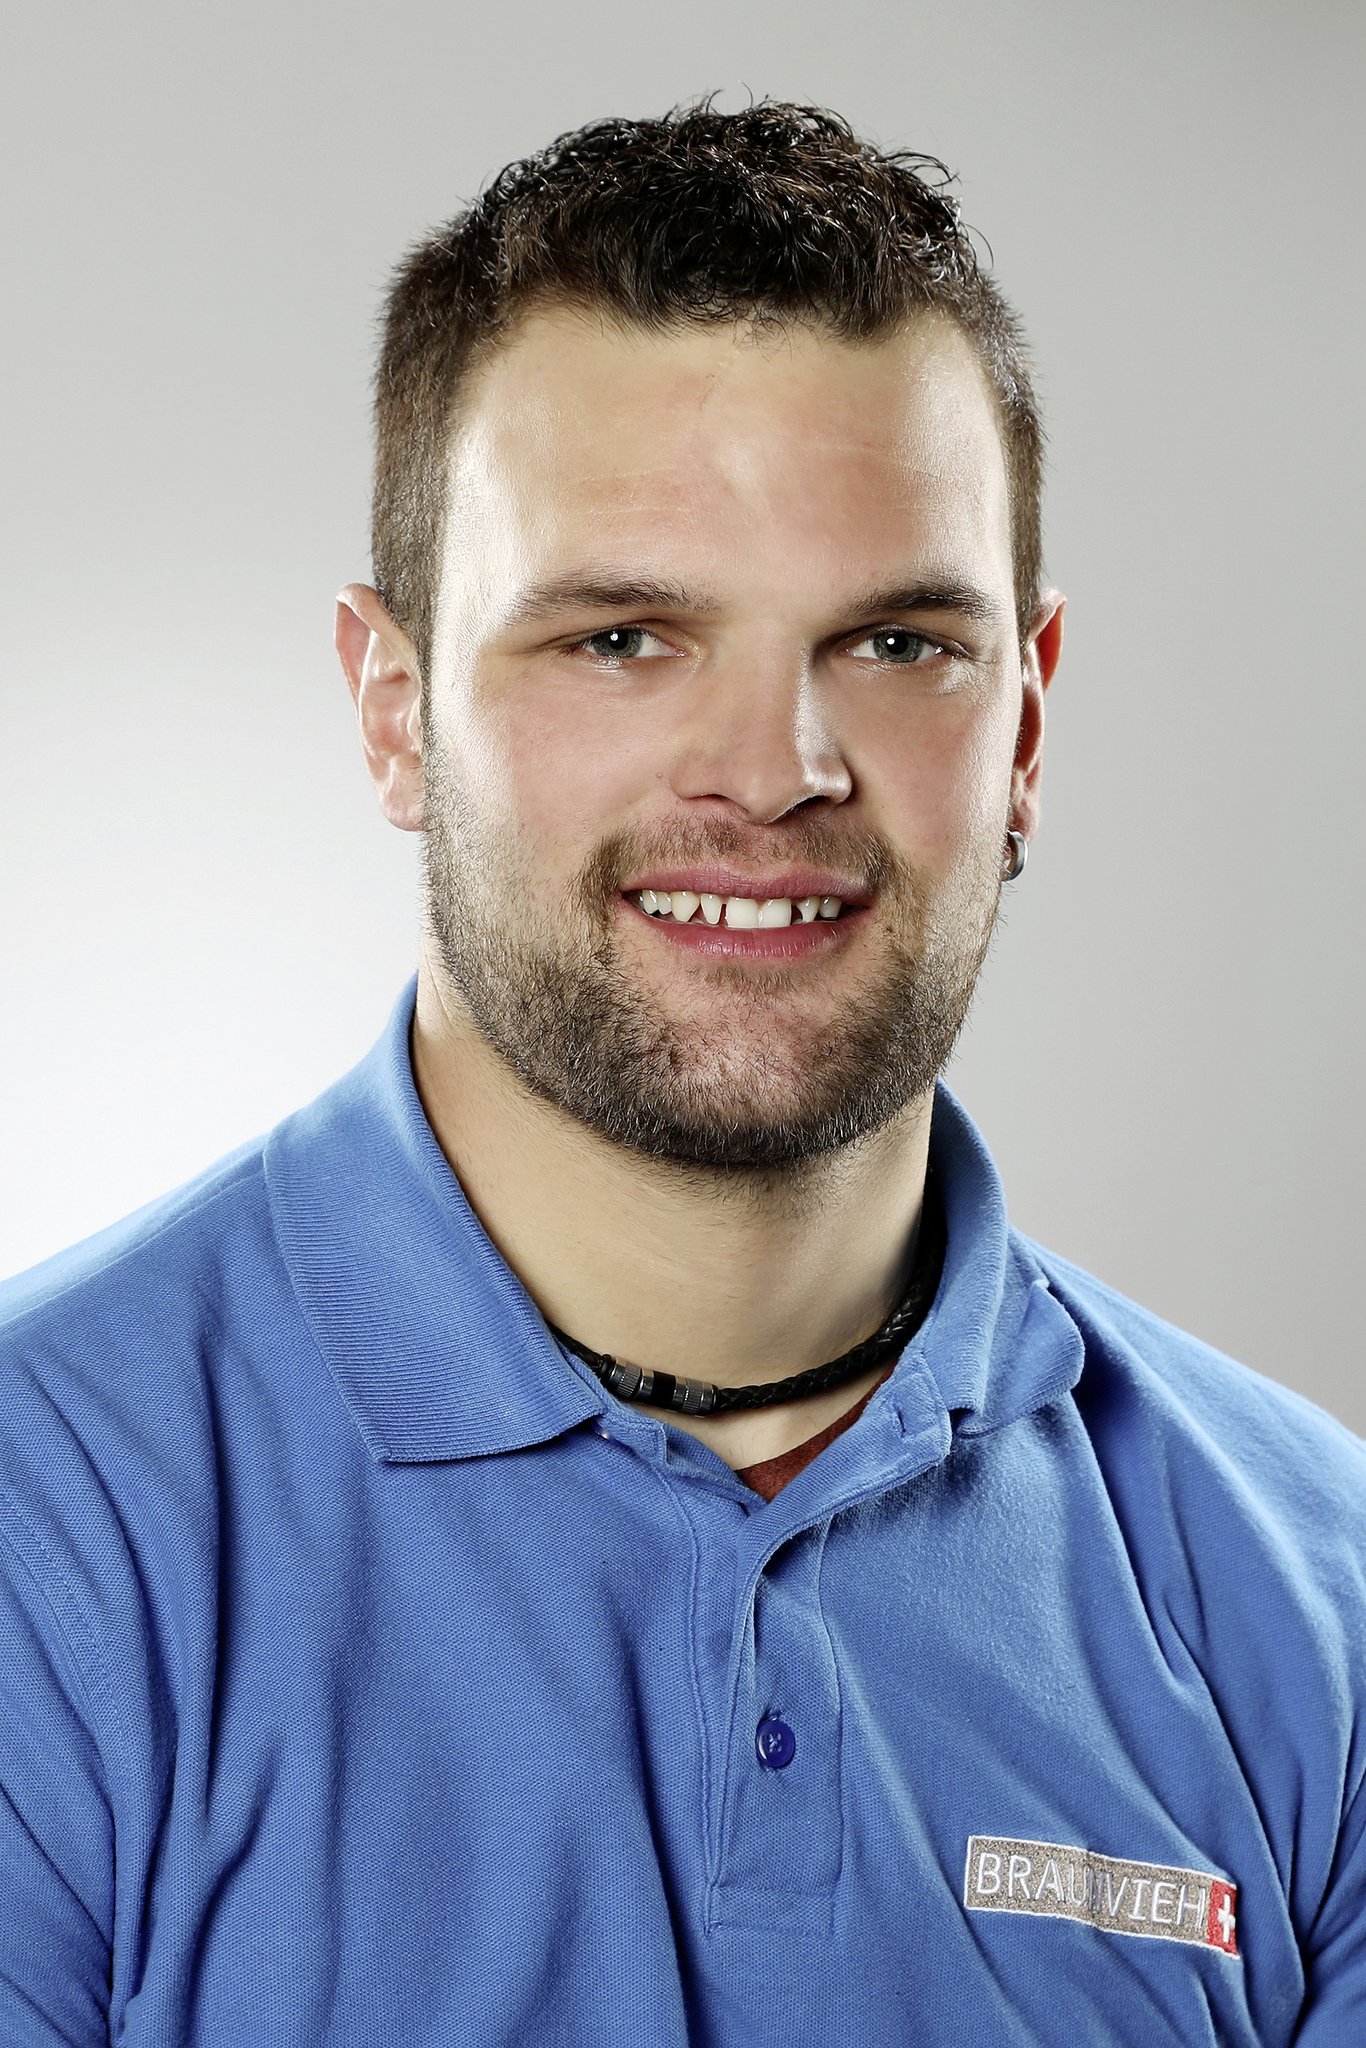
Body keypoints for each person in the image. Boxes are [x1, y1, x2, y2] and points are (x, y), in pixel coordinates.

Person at [1, 101, 1361, 2048]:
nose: (773, 769)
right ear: (392, 711)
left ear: (1024, 726)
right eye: (624, 636)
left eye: (894, 640)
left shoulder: (1319, 1601)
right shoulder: (44, 1529)